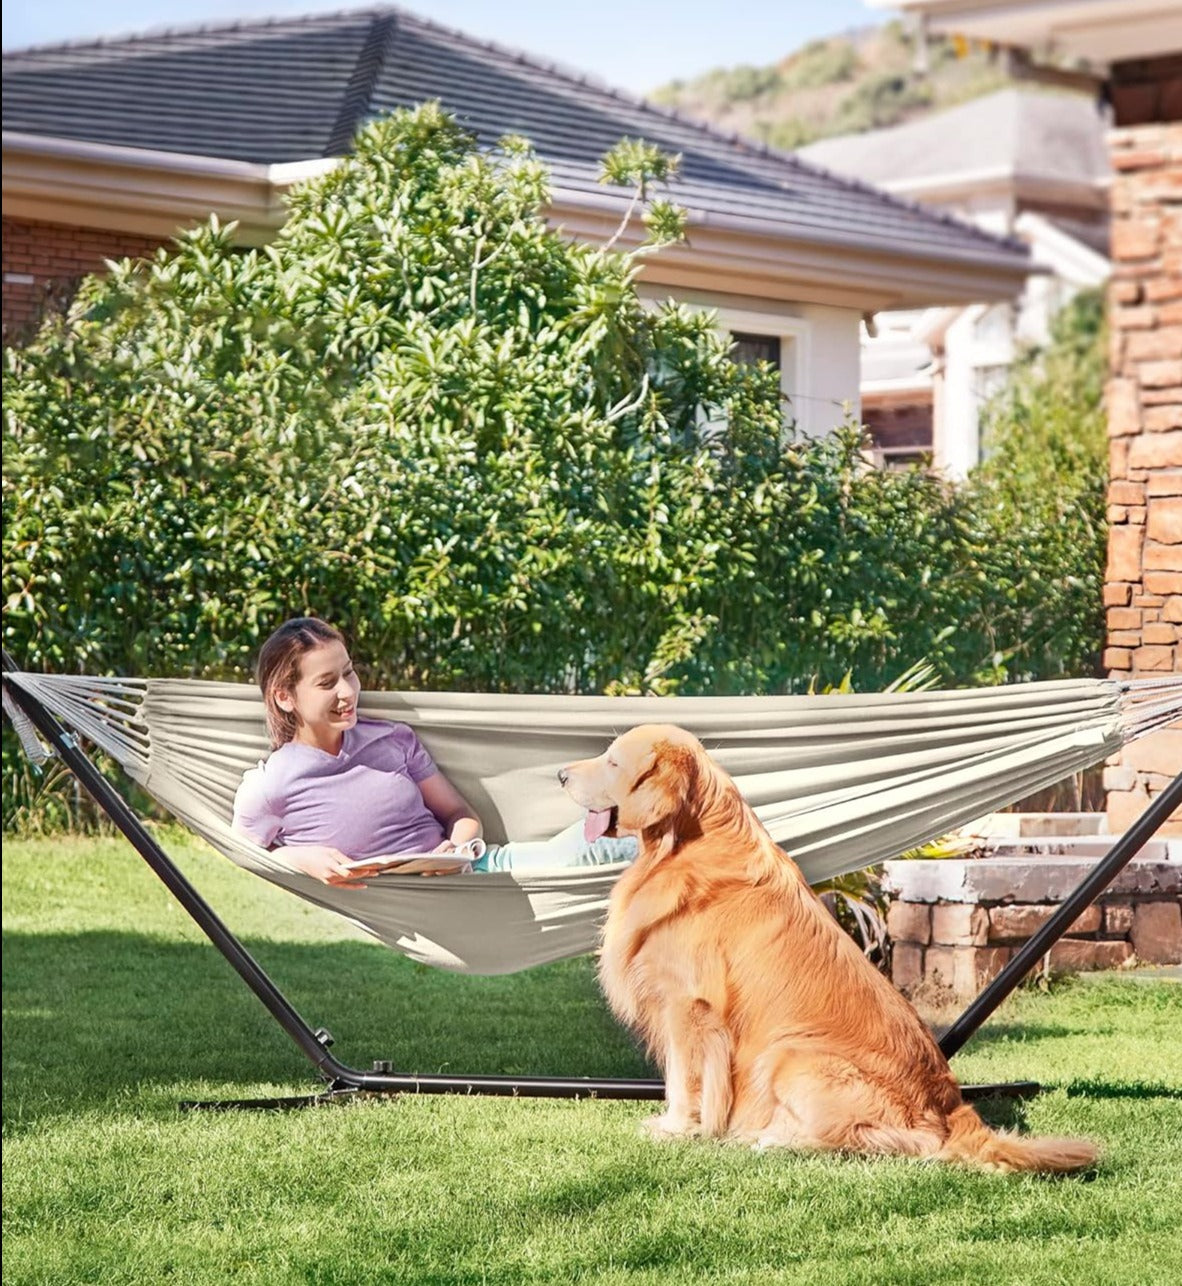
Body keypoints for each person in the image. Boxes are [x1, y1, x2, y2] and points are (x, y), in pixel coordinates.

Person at [232, 617, 636, 887]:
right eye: (326, 683)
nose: (348, 691)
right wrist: (300, 859)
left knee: (623, 839)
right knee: (614, 848)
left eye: (349, 672)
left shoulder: (391, 738)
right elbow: (244, 851)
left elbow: (460, 815)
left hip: (475, 873)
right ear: (285, 697)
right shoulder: (273, 784)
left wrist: (456, 847)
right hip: (404, 905)